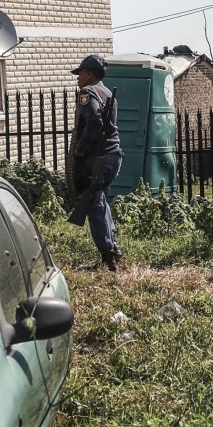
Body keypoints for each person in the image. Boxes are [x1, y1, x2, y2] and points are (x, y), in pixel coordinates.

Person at [67, 54, 123, 271]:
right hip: (113, 156)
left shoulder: (87, 93)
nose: (78, 78)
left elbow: (94, 122)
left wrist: (80, 148)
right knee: (101, 201)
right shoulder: (108, 93)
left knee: (93, 205)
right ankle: (113, 250)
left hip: (97, 158)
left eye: (80, 73)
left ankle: (108, 260)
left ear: (89, 74)